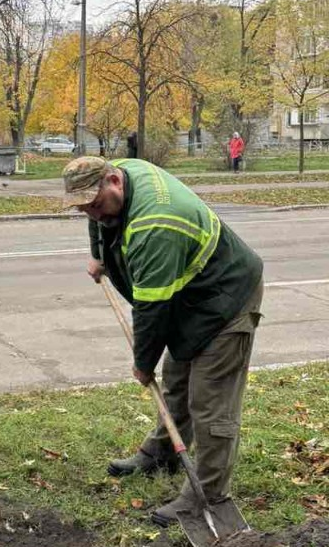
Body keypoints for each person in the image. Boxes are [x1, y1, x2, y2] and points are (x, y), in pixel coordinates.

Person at [63, 156, 263, 525]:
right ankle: (163, 452)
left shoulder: (157, 225)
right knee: (176, 379)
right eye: (83, 208)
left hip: (226, 299)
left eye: (95, 203)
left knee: (210, 401)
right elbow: (101, 222)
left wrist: (142, 363)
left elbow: (151, 310)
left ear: (114, 181)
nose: (92, 214)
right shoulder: (116, 179)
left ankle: (208, 494)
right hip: (190, 296)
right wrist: (98, 255)